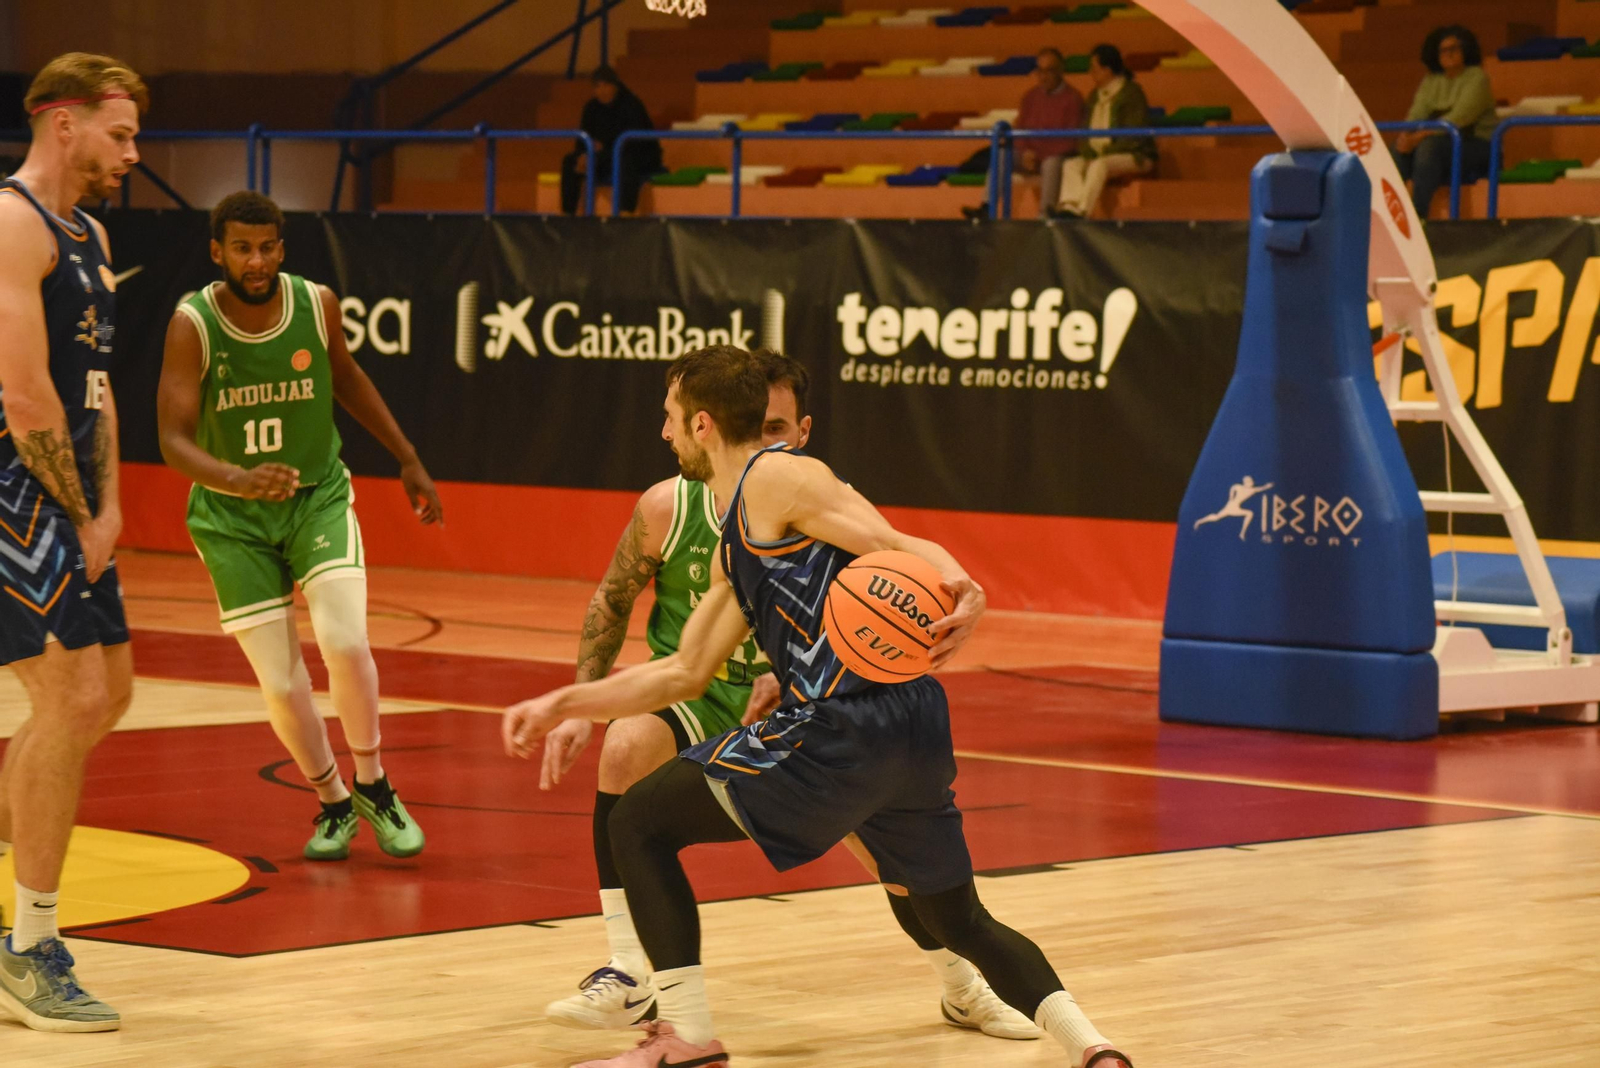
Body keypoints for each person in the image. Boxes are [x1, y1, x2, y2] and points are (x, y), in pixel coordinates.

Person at [504, 347, 1132, 1068]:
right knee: (958, 916)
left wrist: (963, 582)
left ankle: (686, 1036)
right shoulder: (737, 538)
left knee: (642, 821)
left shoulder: (780, 476)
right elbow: (682, 673)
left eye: (671, 418)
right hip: (913, 726)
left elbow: (896, 543)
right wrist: (565, 700)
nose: (664, 432)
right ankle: (1095, 1048)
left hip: (839, 726)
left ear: (702, 424)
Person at [155, 191, 443, 863]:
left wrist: (407, 457)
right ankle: (333, 802)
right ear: (217, 253)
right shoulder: (192, 324)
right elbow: (171, 439)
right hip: (232, 515)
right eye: (242, 249)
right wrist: (238, 478)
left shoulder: (316, 304)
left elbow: (348, 378)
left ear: (281, 250)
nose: (255, 262)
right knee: (282, 684)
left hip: (316, 495)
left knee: (344, 639)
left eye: (267, 248)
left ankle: (374, 784)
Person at [0, 51, 145, 1034]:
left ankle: (22, 910)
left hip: (75, 491)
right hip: (16, 484)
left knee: (108, 696)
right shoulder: (13, 221)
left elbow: (98, 387)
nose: (133, 153)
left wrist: (114, 504)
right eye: (120, 133)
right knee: (72, 695)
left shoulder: (88, 230)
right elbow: (23, 394)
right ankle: (30, 945)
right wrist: (74, 510)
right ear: (63, 122)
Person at [963, 47, 1085, 220]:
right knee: (1002, 154)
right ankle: (986, 207)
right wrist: (1025, 151)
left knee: (1051, 163)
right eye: (1040, 71)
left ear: (1060, 71)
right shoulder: (1031, 96)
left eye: (1049, 71)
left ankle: (1045, 217)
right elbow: (1020, 129)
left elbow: (1071, 140)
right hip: (1029, 154)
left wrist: (1039, 155)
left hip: (1056, 155)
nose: (1043, 76)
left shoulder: (1073, 99)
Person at [1393, 25, 1495, 218]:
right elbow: (1416, 114)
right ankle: (1390, 215)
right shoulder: (1431, 81)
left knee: (1428, 148)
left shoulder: (1477, 77)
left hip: (1477, 144)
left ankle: (1418, 215)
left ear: (1465, 50)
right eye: (1442, 50)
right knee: (1396, 151)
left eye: (1453, 49)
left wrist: (1419, 137)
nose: (1447, 54)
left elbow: (1459, 118)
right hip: (1439, 142)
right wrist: (1405, 136)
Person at [1053, 44, 1156, 219]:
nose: (1090, 72)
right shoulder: (1094, 95)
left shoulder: (1132, 93)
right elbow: (1084, 131)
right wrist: (1088, 151)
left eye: (1094, 68)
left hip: (1134, 154)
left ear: (1107, 70)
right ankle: (1069, 207)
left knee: (1099, 165)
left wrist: (1104, 152)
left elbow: (1134, 136)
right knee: (1071, 164)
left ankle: (1083, 211)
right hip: (1099, 154)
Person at [562, 66, 664, 216]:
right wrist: (583, 154)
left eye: (606, 85)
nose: (602, 90)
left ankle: (625, 212)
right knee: (570, 161)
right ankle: (567, 214)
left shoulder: (632, 105)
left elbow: (635, 142)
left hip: (637, 155)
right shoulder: (591, 108)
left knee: (626, 160)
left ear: (615, 86)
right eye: (597, 86)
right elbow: (582, 139)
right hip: (602, 156)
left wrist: (605, 150)